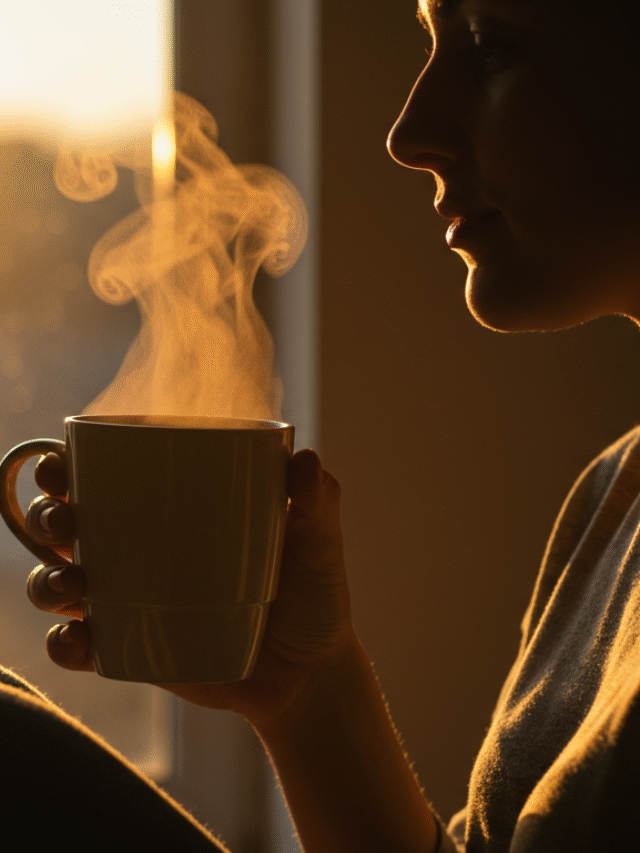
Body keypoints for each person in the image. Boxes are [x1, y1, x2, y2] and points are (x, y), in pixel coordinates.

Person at [13, 0, 640, 849]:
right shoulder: (613, 494)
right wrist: (306, 689)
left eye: (491, 47)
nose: (409, 130)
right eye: (429, 42)